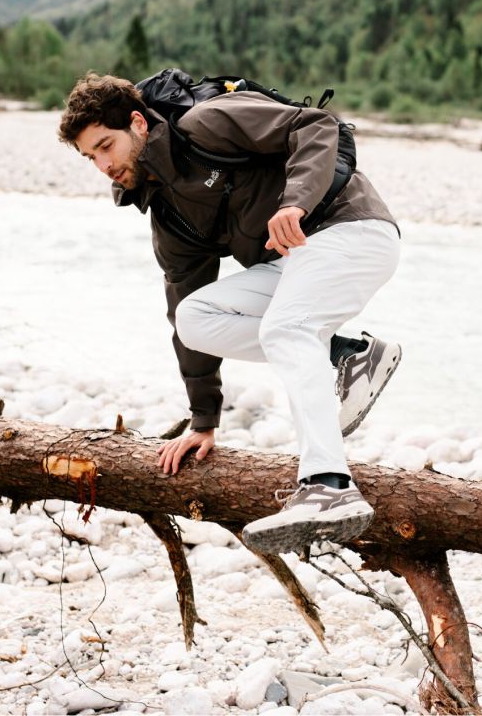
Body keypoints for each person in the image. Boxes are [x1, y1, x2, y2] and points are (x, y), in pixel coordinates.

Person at [57, 72, 402, 554]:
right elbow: (181, 304)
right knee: (195, 319)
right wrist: (203, 420)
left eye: (105, 146)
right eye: (90, 156)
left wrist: (295, 202)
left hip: (348, 227)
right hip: (295, 262)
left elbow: (317, 127)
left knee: (287, 329)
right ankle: (346, 352)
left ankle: (329, 486)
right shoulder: (169, 213)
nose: (102, 165)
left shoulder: (207, 122)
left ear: (137, 123)